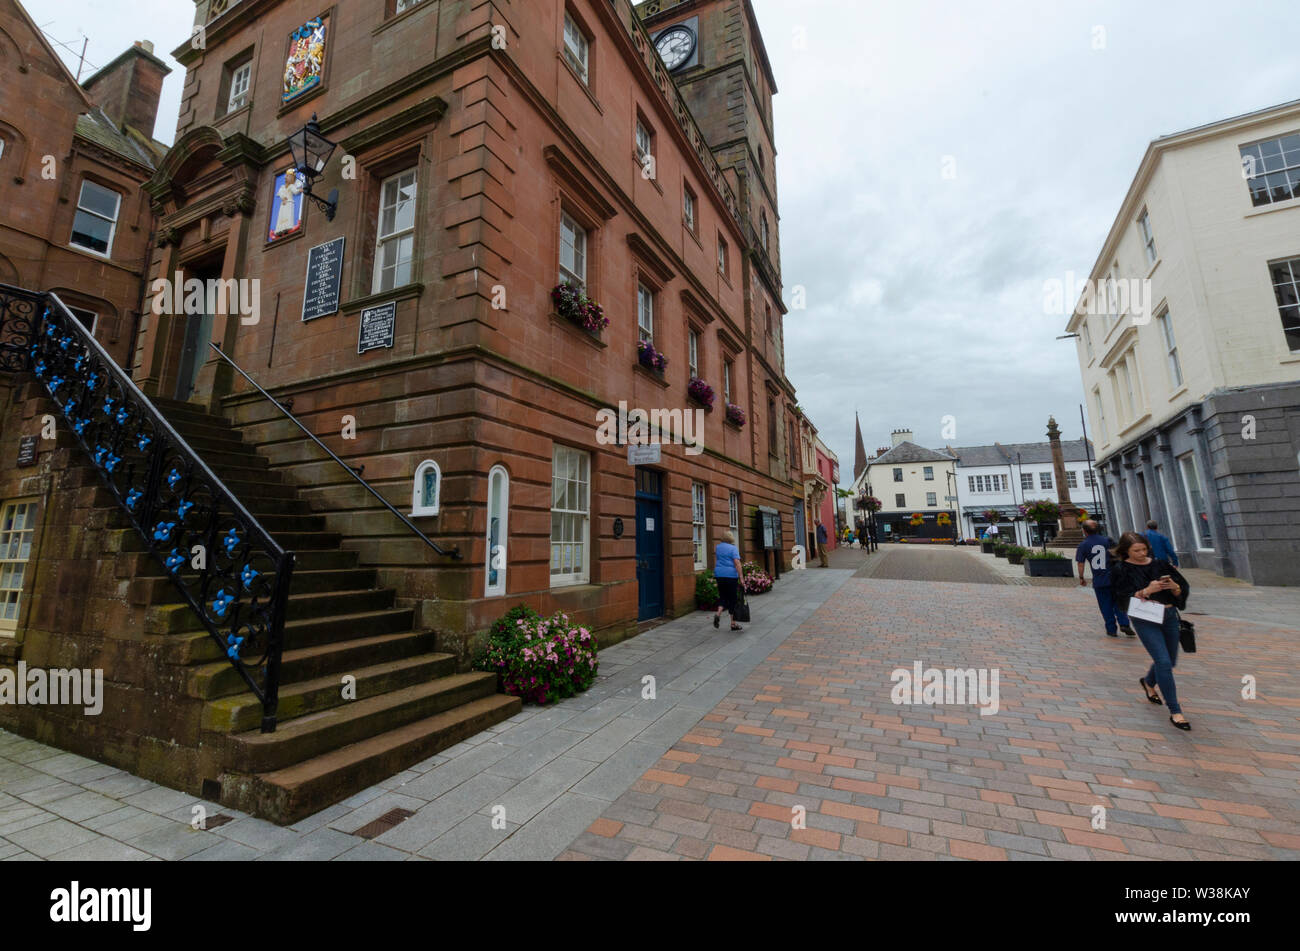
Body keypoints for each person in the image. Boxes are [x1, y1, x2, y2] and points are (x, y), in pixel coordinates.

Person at [1111, 532, 1193, 731]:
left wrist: (1175, 588)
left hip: (1169, 615)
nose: (1141, 553)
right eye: (1136, 550)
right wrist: (1146, 591)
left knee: (1170, 661)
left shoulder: (1160, 565)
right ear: (1125, 551)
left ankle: (1148, 682)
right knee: (1163, 662)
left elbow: (1183, 588)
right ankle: (1175, 711)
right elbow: (1122, 598)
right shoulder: (1121, 569)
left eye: (1144, 549)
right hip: (1145, 618)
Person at [1075, 520, 1135, 638]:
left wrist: (1081, 577)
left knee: (1105, 605)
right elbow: (1119, 555)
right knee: (1119, 602)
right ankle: (1124, 623)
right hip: (1115, 577)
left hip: (1099, 579)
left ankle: (1111, 629)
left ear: (1084, 531)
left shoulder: (1083, 545)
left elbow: (1080, 563)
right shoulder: (1108, 540)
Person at [712, 530, 744, 632]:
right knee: (732, 599)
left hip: (719, 575)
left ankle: (718, 614)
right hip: (730, 576)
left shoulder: (718, 547)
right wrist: (741, 577)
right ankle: (733, 624)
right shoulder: (733, 549)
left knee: (723, 596)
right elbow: (737, 563)